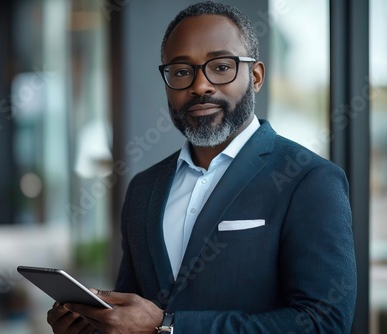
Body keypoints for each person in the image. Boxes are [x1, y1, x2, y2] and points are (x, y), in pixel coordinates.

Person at [47, 1, 357, 333]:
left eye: (221, 67)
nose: (200, 86)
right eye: (182, 71)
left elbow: (324, 322)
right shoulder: (143, 188)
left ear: (255, 76)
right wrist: (93, 325)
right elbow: (134, 314)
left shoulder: (310, 180)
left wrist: (170, 327)